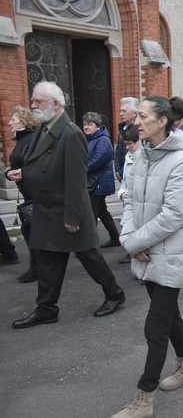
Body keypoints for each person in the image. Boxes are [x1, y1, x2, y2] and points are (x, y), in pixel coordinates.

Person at [112, 95, 183, 418]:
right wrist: (131, 241)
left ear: (162, 120)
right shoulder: (141, 156)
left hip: (171, 253)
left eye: (143, 116)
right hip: (146, 250)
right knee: (168, 314)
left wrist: (136, 242)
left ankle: (144, 399)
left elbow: (174, 215)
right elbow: (131, 203)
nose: (136, 121)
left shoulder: (182, 162)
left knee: (156, 326)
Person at [9, 81, 125, 329]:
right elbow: (44, 165)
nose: (33, 105)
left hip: (68, 211)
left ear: (56, 104)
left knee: (90, 258)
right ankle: (46, 308)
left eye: (38, 101)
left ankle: (115, 294)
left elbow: (75, 179)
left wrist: (73, 217)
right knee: (48, 261)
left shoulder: (71, 133)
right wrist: (24, 174)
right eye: (33, 100)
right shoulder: (44, 129)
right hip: (47, 209)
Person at [2, 106, 39, 272]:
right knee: (29, 230)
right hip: (28, 193)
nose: (10, 122)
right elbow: (15, 165)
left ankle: (38, 269)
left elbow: (41, 165)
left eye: (14, 120)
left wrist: (23, 172)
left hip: (38, 193)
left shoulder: (34, 139)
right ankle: (37, 268)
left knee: (31, 230)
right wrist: (8, 172)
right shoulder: (20, 140)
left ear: (23, 121)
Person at [82, 112, 120, 248]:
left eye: (90, 124)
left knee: (92, 213)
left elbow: (97, 160)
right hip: (93, 181)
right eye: (85, 124)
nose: (86, 127)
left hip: (99, 182)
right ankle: (115, 238)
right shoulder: (89, 139)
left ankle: (89, 244)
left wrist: (82, 169)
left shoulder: (103, 140)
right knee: (102, 212)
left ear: (98, 126)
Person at [115, 125, 140, 265]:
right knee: (129, 234)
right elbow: (125, 181)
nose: (127, 147)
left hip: (140, 204)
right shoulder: (128, 156)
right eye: (126, 144)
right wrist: (122, 192)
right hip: (129, 203)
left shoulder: (144, 158)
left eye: (130, 144)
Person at [115, 97, 139, 182]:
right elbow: (118, 152)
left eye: (124, 111)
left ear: (134, 113)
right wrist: (117, 170)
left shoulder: (140, 130)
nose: (121, 114)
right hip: (123, 173)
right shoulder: (122, 129)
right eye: (120, 111)